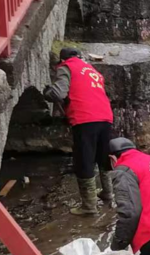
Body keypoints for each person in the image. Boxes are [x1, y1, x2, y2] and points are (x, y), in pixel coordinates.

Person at [42, 48, 115, 216]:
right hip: (105, 117)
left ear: (62, 59)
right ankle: (108, 193)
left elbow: (58, 93)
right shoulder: (92, 70)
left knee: (85, 159)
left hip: (85, 118)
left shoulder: (66, 67)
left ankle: (89, 206)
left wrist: (48, 92)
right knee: (103, 157)